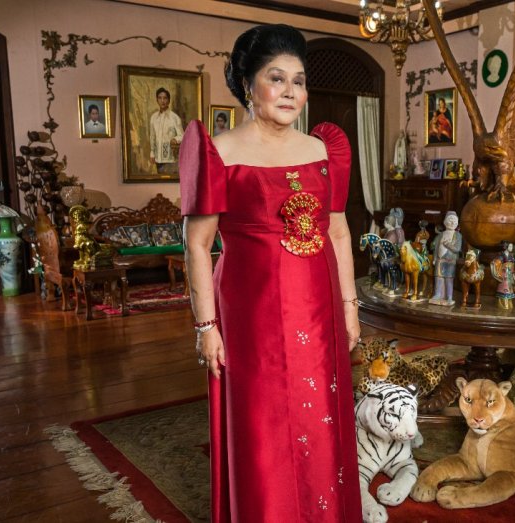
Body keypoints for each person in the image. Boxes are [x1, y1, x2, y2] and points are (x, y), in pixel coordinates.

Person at [179, 24, 362, 522]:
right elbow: (197, 244)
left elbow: (338, 233)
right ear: (248, 84)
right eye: (276, 79)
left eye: (298, 82)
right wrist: (206, 326)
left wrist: (350, 307)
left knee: (321, 415)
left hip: (320, 307)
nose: (290, 92)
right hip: (251, 312)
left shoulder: (322, 150)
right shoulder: (219, 151)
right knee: (265, 423)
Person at [429, 211, 462, 306]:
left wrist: (448, 245)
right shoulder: (440, 235)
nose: (452, 223)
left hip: (450, 260)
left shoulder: (458, 235)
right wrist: (435, 258)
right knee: (438, 277)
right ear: (445, 222)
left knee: (449, 279)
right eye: (450, 220)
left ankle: (449, 296)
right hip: (440, 259)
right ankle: (437, 295)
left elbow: (457, 249)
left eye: (454, 221)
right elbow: (436, 247)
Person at [149, 87, 184, 172]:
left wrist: (175, 139)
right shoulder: (153, 118)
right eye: (160, 98)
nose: (162, 101)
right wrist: (152, 153)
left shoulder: (174, 118)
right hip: (158, 159)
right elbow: (152, 137)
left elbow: (182, 136)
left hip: (171, 160)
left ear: (169, 100)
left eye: (165, 98)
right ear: (157, 100)